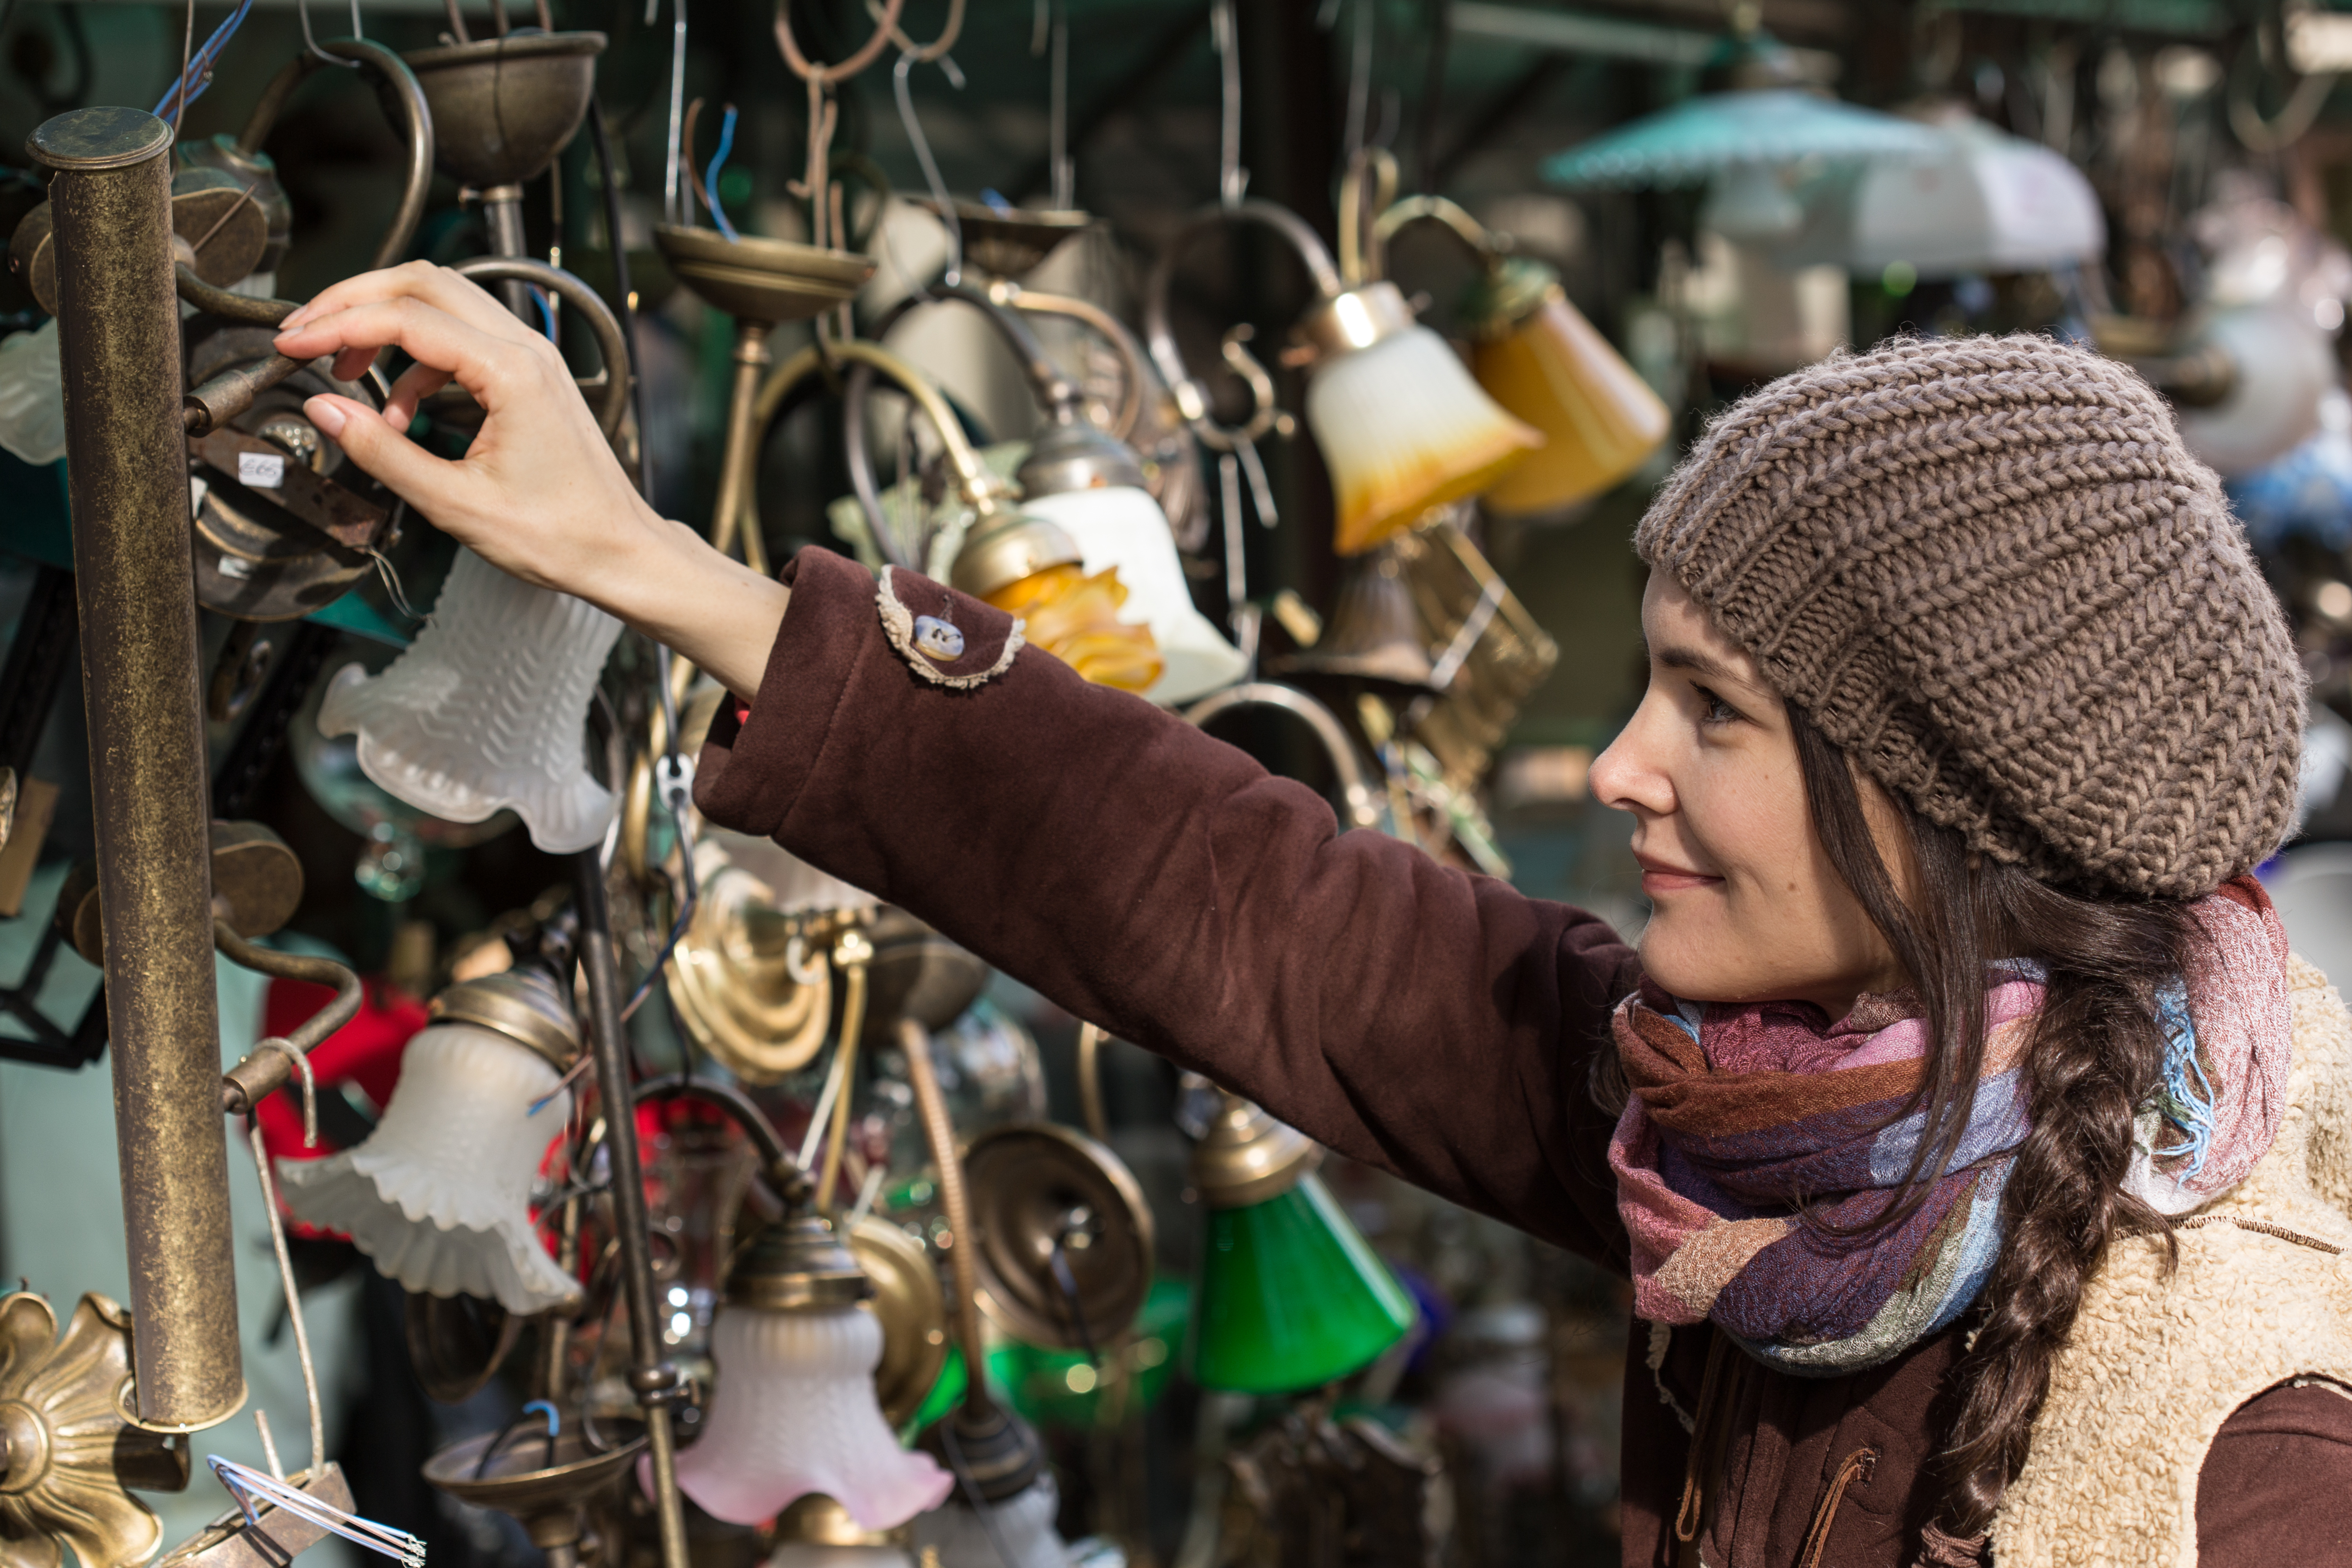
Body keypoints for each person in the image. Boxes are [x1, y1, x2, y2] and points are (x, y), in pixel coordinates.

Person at [273, 265, 2352, 1568]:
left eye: (1705, 712)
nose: (1616, 770)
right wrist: (655, 567)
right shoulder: (1747, 1118)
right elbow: (1243, 901)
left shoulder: (2250, 1443)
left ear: (1937, 812)